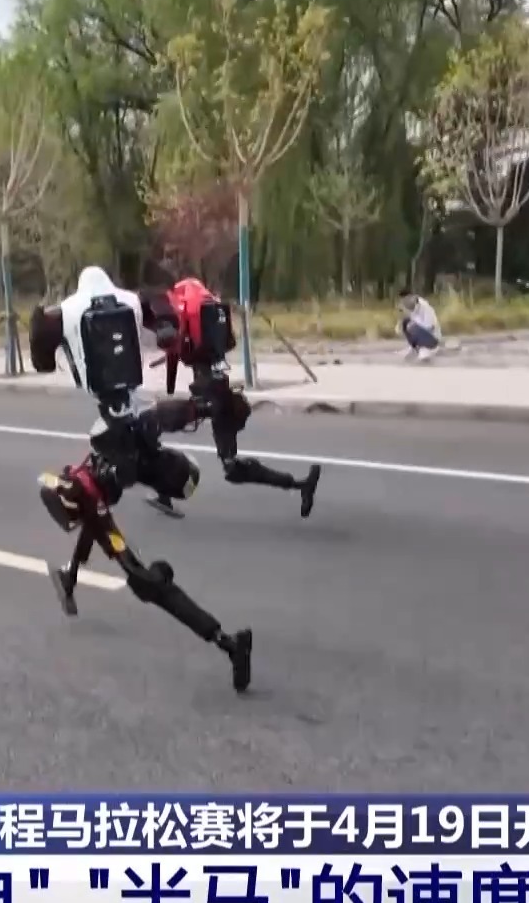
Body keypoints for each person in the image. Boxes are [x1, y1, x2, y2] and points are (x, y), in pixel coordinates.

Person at [30, 265, 256, 692]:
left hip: (116, 443)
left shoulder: (64, 314)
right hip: (140, 432)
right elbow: (167, 324)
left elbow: (41, 358)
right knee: (100, 495)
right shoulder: (134, 302)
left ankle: (226, 642)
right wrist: (209, 403)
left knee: (134, 569)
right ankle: (70, 576)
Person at [140, 277, 321, 520]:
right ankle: (300, 485)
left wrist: (165, 338)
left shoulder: (172, 310)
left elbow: (166, 334)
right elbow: (202, 348)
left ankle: (164, 493)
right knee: (231, 467)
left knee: (151, 422)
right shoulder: (207, 313)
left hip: (208, 400)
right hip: (221, 395)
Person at [397, 288, 442, 361]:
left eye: (406, 301)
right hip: (423, 335)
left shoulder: (424, 306)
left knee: (411, 326)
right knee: (405, 323)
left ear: (412, 297)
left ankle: (426, 349)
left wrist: (413, 325)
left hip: (433, 338)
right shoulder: (413, 308)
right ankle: (414, 349)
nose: (405, 304)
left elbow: (430, 327)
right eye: (403, 302)